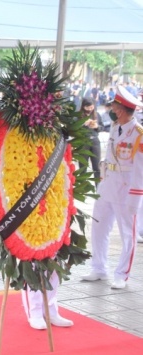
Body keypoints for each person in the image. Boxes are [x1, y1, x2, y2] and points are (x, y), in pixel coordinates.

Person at [82, 85, 143, 289]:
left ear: (123, 109)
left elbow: (140, 170)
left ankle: (122, 274)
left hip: (125, 191)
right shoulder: (115, 128)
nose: (112, 110)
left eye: (115, 106)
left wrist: (135, 199)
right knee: (99, 228)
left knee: (127, 233)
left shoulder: (138, 134)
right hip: (107, 187)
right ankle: (99, 268)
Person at [79, 97, 102, 186]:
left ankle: (99, 188)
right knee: (83, 167)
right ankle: (82, 188)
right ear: (83, 106)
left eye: (91, 107)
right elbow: (72, 129)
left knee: (97, 167)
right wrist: (83, 124)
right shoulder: (79, 115)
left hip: (95, 142)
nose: (90, 109)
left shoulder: (97, 115)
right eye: (87, 107)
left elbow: (102, 127)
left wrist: (97, 127)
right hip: (83, 143)